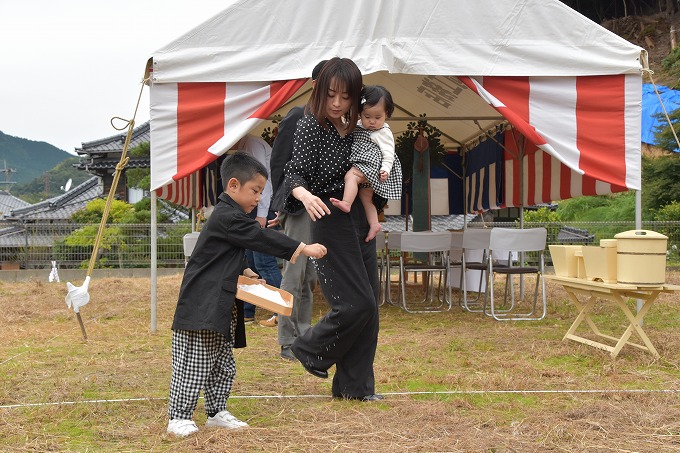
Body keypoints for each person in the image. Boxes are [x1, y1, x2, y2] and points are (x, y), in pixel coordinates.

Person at [166, 152, 327, 437]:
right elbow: (262, 237)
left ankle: (216, 411)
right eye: (255, 191)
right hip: (202, 304)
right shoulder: (228, 216)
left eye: (261, 192)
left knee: (222, 363)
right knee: (194, 361)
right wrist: (303, 248)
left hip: (221, 303)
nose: (258, 198)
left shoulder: (232, 218)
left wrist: (248, 272)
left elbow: (227, 255)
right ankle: (179, 416)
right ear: (233, 186)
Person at [283, 57, 382, 401]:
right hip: (327, 216)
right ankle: (309, 348)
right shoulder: (310, 125)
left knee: (371, 304)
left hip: (359, 216)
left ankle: (355, 388)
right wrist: (305, 194)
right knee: (355, 304)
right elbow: (292, 173)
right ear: (319, 92)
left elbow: (381, 164)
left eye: (345, 96)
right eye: (331, 95)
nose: (337, 103)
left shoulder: (361, 128)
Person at [269, 60, 327, 360]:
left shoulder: (332, 121)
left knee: (309, 277)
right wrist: (279, 206)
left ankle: (302, 335)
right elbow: (279, 165)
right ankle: (287, 340)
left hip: (321, 207)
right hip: (297, 206)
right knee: (294, 272)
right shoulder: (296, 116)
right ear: (316, 84)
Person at [330, 85, 402, 242]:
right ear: (360, 113)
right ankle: (374, 223)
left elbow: (389, 153)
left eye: (378, 117)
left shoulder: (383, 132)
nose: (372, 121)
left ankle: (346, 203)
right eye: (367, 116)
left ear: (387, 114)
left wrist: (385, 169)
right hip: (366, 166)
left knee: (351, 177)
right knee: (366, 197)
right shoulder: (359, 124)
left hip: (371, 164)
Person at [236, 134, 282, 326]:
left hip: (262, 208)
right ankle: (247, 313)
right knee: (250, 262)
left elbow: (263, 182)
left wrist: (262, 214)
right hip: (256, 208)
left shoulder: (251, 143)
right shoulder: (249, 143)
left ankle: (281, 312)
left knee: (264, 262)